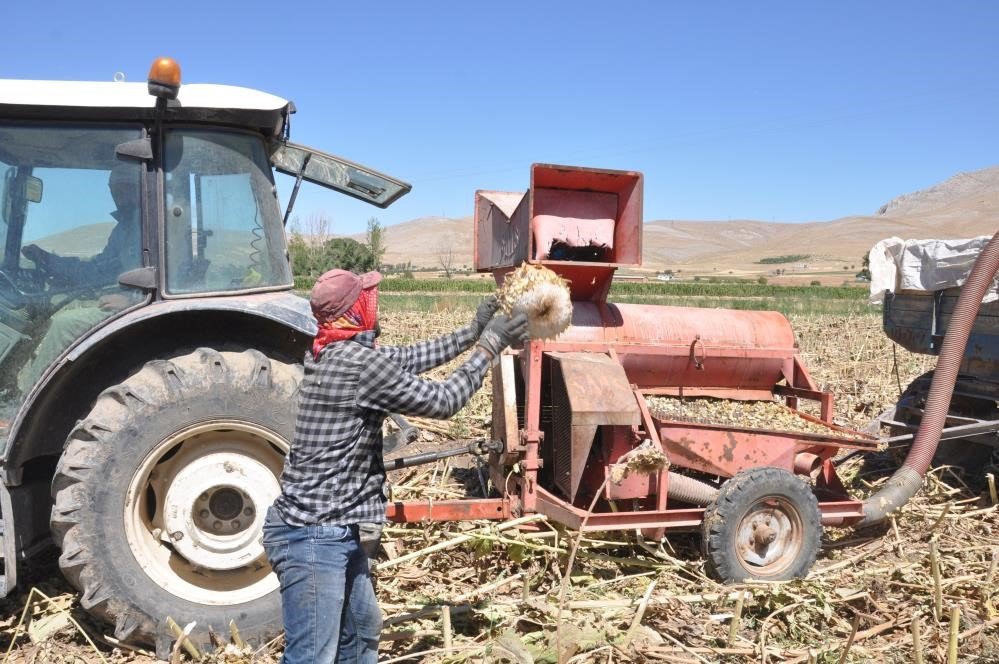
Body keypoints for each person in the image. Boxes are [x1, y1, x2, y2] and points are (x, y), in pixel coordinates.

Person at [263, 268, 527, 664]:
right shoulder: (359, 364)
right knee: (312, 657)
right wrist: (489, 346)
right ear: (356, 311)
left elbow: (411, 357)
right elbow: (443, 402)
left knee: (360, 633)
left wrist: (474, 329)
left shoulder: (331, 350)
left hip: (335, 528)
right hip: (313, 537)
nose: (376, 302)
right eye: (368, 297)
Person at [16, 162, 142, 392]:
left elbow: (174, 273)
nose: (116, 195)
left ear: (137, 186)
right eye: (112, 190)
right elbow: (98, 270)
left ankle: (27, 405)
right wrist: (48, 261)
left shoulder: (151, 223)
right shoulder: (125, 227)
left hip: (139, 305)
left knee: (64, 325)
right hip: (134, 301)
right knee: (41, 320)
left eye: (122, 188)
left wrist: (133, 299)